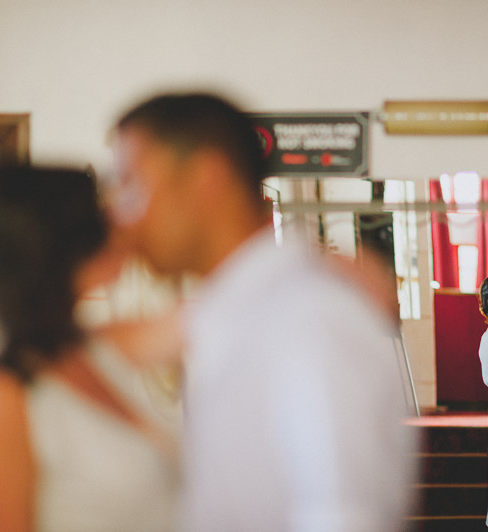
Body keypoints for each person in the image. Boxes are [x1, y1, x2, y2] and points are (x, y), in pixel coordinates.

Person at [109, 93, 416, 532]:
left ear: (206, 178)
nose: (123, 217)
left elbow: (342, 516)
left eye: (131, 185)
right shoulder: (240, 307)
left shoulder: (309, 315)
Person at [0, 165, 181, 532]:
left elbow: (213, 316)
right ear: (61, 248)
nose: (117, 226)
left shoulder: (91, 346)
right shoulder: (2, 388)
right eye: (100, 219)